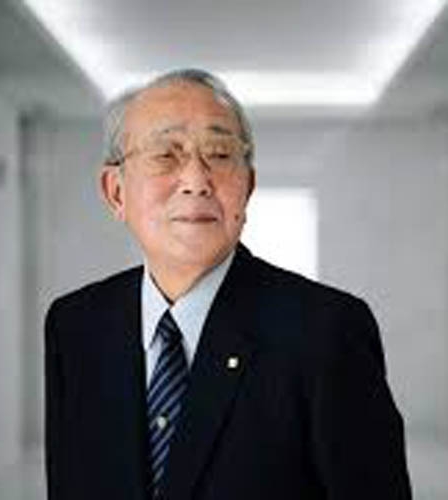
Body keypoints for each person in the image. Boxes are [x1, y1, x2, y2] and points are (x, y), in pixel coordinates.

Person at [45, 68, 412, 500]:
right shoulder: (75, 325)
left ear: (248, 186)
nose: (196, 181)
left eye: (220, 154)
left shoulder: (327, 331)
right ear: (116, 192)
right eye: (165, 154)